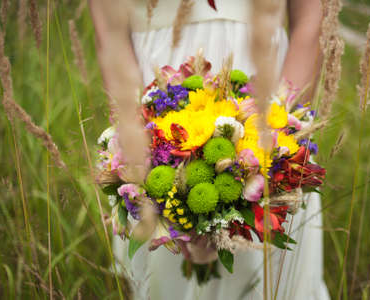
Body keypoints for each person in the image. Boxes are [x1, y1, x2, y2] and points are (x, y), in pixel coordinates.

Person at [89, 0, 330, 299]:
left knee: (270, 282)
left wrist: (279, 136)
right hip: (155, 99)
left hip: (269, 100)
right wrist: (142, 142)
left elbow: (310, 17)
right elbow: (110, 32)